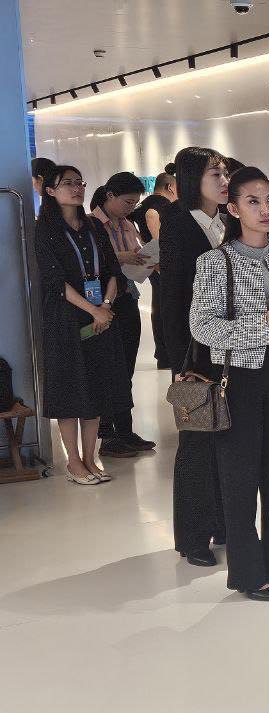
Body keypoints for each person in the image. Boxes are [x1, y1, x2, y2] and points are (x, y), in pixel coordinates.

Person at [190, 167, 269, 602]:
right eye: (252, 201)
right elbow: (202, 326)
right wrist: (262, 328)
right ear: (233, 209)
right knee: (240, 478)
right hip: (240, 378)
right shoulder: (215, 261)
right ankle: (248, 572)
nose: (265, 209)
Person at [34, 165, 132, 486]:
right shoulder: (45, 229)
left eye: (80, 183)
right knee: (69, 389)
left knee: (97, 388)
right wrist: (93, 309)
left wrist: (105, 307)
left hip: (101, 315)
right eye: (68, 184)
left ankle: (91, 458)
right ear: (50, 191)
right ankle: (73, 462)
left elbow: (113, 271)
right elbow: (55, 281)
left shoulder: (93, 226)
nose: (77, 188)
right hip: (65, 318)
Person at [160, 146, 229, 567]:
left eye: (224, 173)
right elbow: (171, 299)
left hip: (231, 348)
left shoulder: (226, 221)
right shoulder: (178, 223)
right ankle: (192, 536)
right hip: (196, 352)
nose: (224, 181)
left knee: (226, 438)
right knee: (196, 444)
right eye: (214, 174)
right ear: (192, 179)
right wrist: (180, 363)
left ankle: (222, 522)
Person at [89, 172, 155, 457]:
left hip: (128, 297)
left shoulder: (128, 224)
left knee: (127, 367)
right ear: (110, 196)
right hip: (104, 302)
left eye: (134, 203)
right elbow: (92, 262)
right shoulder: (91, 225)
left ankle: (125, 431)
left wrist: (146, 259)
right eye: (127, 202)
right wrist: (122, 258)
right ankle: (107, 434)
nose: (131, 208)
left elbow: (136, 254)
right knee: (108, 368)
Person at [131, 171, 177, 369]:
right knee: (166, 307)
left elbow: (135, 227)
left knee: (159, 305)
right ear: (170, 187)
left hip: (155, 262)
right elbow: (160, 238)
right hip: (164, 263)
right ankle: (167, 353)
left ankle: (164, 353)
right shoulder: (161, 206)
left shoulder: (144, 205)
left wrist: (143, 244)